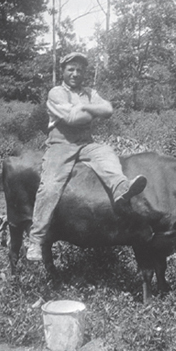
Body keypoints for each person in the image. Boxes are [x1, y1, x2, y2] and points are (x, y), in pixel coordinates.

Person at [27, 52, 149, 261]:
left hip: (86, 143)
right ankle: (36, 240)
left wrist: (84, 106)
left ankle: (121, 189)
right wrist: (93, 110)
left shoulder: (89, 92)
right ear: (63, 71)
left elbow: (108, 109)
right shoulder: (56, 93)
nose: (75, 74)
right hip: (61, 145)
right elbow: (73, 119)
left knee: (108, 154)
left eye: (80, 70)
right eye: (71, 69)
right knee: (50, 186)